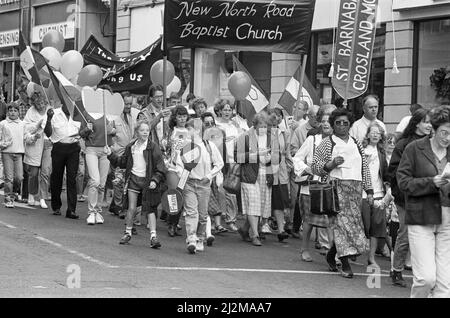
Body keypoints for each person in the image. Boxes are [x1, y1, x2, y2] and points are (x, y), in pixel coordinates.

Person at [312, 108, 373, 278]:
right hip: (335, 189)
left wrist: (369, 191)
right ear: (333, 124)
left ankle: (332, 254)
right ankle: (345, 264)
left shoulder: (356, 142)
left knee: (353, 227)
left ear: (349, 125)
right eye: (338, 123)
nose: (341, 126)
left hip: (355, 190)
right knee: (340, 226)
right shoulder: (327, 143)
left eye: (345, 123)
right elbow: (315, 166)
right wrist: (330, 165)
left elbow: (365, 168)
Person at [397, 105, 450, 298]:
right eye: (444, 132)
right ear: (433, 130)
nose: (448, 138)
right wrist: (432, 182)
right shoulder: (414, 148)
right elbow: (403, 182)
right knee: (426, 279)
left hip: (447, 219)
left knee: (445, 285)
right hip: (421, 217)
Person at [387, 108, 432, 287]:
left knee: (427, 235)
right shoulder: (403, 144)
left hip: (427, 196)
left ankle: (424, 271)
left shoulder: (434, 143)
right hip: (405, 197)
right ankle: (396, 270)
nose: (429, 125)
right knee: (405, 233)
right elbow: (393, 172)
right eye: (425, 122)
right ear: (416, 123)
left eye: (430, 122)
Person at [106, 121, 167, 248]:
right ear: (136, 132)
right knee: (131, 208)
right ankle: (127, 232)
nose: (145, 132)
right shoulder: (131, 147)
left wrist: (155, 180)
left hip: (147, 181)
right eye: (142, 130)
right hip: (133, 179)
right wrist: (110, 154)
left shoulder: (153, 147)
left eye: (147, 130)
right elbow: (122, 162)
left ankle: (153, 236)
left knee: (150, 209)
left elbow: (160, 167)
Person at [174, 124, 224, 254]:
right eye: (188, 129)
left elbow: (219, 164)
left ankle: (200, 238)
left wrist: (209, 176)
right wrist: (182, 175)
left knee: (203, 215)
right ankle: (191, 238)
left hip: (204, 184)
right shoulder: (185, 146)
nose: (190, 132)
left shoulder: (209, 146)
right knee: (191, 211)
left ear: (199, 131)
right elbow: (178, 165)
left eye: (192, 129)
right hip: (190, 183)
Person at [293, 107, 334, 262]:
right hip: (311, 186)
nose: (325, 124)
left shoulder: (338, 141)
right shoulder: (312, 140)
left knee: (331, 221)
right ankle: (304, 248)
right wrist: (306, 169)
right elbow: (297, 158)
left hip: (330, 186)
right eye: (322, 121)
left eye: (328, 121)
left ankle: (332, 252)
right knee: (309, 220)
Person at [79, 89, 117, 225]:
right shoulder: (87, 112)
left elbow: (114, 131)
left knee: (102, 183)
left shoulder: (111, 113)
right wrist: (87, 129)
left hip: (106, 150)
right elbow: (81, 133)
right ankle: (91, 212)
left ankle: (98, 211)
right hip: (91, 150)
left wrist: (112, 130)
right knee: (94, 181)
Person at [235, 112, 272, 247]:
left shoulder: (270, 138)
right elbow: (237, 157)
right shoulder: (245, 137)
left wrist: (271, 158)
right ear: (254, 125)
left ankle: (245, 229)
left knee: (260, 206)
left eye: (265, 126)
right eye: (261, 126)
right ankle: (255, 235)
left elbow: (277, 155)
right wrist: (256, 155)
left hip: (265, 174)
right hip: (249, 175)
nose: (263, 129)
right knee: (254, 204)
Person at [361, 122, 393, 268]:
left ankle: (371, 257)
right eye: (372, 132)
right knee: (363, 226)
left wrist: (389, 188)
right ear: (367, 134)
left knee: (376, 227)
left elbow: (386, 174)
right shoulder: (361, 150)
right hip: (363, 194)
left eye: (378, 133)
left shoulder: (381, 154)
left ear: (381, 137)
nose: (375, 134)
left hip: (378, 194)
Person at [44, 106, 81, 219]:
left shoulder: (78, 114)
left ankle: (71, 210)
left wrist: (86, 131)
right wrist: (49, 119)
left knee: (72, 178)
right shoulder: (54, 113)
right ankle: (56, 206)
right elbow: (48, 133)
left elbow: (83, 132)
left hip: (74, 148)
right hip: (59, 147)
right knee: (57, 177)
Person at [109, 94, 138, 218]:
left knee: (127, 180)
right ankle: (119, 206)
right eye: (126, 104)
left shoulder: (134, 115)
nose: (128, 106)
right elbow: (109, 134)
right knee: (118, 180)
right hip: (118, 152)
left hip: (131, 152)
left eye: (130, 104)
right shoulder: (113, 117)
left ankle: (116, 205)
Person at [214, 99, 241, 232]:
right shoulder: (215, 125)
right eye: (224, 109)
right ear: (219, 110)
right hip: (219, 161)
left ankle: (231, 220)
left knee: (231, 192)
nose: (227, 112)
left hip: (233, 161)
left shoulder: (235, 125)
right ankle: (217, 219)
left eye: (229, 109)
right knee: (218, 190)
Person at [23, 87, 52, 209]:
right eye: (37, 104)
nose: (40, 106)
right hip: (35, 142)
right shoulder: (31, 111)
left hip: (48, 143)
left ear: (45, 101)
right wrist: (37, 125)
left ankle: (42, 197)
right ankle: (31, 194)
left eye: (42, 103)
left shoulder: (50, 110)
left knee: (45, 171)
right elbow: (26, 127)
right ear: (34, 104)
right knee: (33, 172)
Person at [165, 105, 191, 237]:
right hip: (173, 166)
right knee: (174, 196)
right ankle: (170, 223)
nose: (182, 118)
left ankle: (175, 224)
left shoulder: (190, 131)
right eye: (179, 116)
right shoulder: (171, 131)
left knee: (181, 196)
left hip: (185, 167)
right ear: (175, 118)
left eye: (184, 116)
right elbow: (165, 147)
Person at [267, 107, 292, 242]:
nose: (275, 118)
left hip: (281, 169)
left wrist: (291, 167)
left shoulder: (285, 133)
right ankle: (256, 227)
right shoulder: (263, 132)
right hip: (266, 168)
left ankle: (281, 229)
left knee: (280, 199)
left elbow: (287, 152)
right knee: (265, 198)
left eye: (277, 116)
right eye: (272, 115)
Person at [0, 104, 24, 208]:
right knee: (9, 178)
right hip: (7, 153)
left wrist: (33, 137)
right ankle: (8, 198)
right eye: (10, 110)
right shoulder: (3, 124)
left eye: (15, 110)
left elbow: (26, 136)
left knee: (19, 177)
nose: (12, 112)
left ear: (18, 112)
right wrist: (2, 144)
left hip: (18, 153)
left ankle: (14, 192)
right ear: (7, 112)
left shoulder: (22, 124)